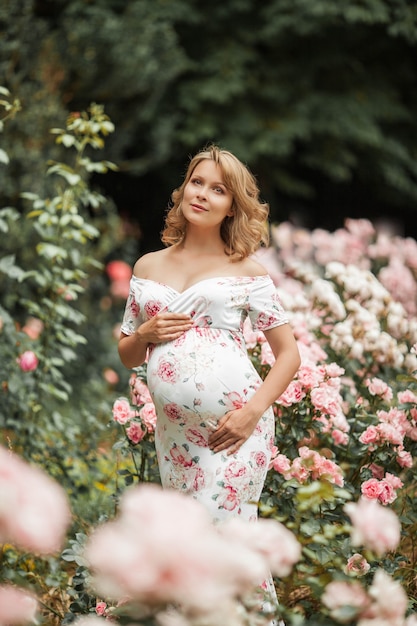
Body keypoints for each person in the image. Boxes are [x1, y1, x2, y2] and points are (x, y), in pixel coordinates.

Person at [118, 145, 300, 616]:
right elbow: (127, 354)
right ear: (183, 190)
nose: (203, 194)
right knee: (189, 549)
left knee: (228, 543)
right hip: (175, 439)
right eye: (197, 182)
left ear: (231, 206)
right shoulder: (147, 267)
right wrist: (145, 332)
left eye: (218, 190)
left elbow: (288, 355)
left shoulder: (248, 273)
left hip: (236, 433)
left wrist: (251, 414)